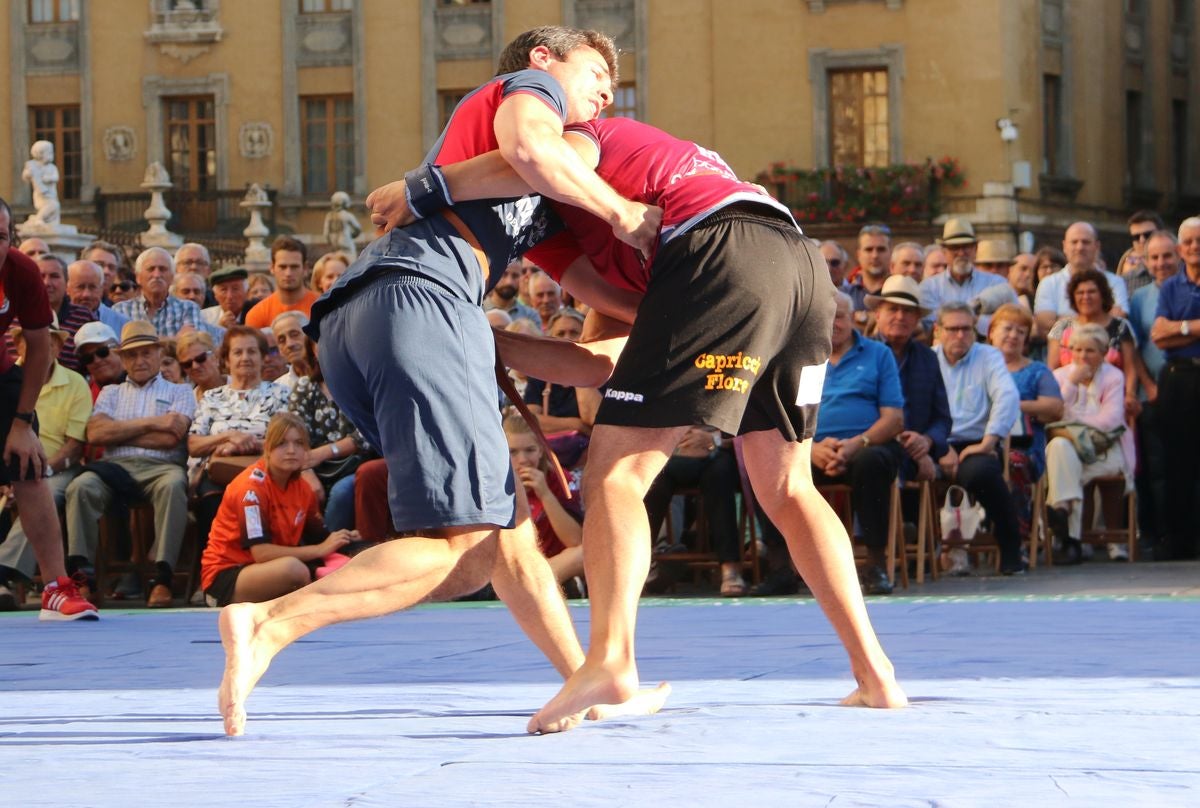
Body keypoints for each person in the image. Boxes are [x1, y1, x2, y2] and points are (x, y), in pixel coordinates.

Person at [215, 25, 666, 738]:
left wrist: (673, 309)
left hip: (365, 319)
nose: (607, 93)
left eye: (614, 88)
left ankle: (591, 680)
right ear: (547, 61)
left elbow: (588, 284)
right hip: (418, 300)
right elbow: (529, 146)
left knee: (504, 534)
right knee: (461, 545)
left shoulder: (533, 196)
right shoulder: (528, 91)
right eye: (595, 75)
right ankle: (268, 620)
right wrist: (624, 211)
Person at [393, 108, 908, 729]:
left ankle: (609, 658)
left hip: (719, 251)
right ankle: (875, 674)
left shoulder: (569, 136)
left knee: (613, 475)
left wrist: (420, 188)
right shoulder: (571, 233)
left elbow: (531, 154)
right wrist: (493, 343)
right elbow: (601, 363)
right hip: (798, 272)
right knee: (786, 485)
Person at [0, 197, 96, 619]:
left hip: (2, 376)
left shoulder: (20, 271)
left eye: (0, 237)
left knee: (31, 467)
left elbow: (39, 348)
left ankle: (56, 589)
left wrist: (22, 423)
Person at [66, 320, 195, 607]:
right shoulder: (111, 393)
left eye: (146, 353)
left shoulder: (180, 391)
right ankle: (82, 578)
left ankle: (162, 577)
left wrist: (120, 433)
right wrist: (153, 422)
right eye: (132, 355)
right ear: (122, 358)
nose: (140, 360)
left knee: (174, 484)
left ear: (158, 354)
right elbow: (96, 434)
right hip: (115, 468)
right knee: (81, 486)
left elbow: (171, 438)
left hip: (162, 467)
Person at [201, 413, 359, 606]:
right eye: (282, 444)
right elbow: (261, 553)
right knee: (294, 570)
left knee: (360, 553)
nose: (291, 450)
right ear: (267, 448)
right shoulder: (251, 490)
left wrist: (347, 538)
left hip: (269, 567)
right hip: (229, 575)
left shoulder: (302, 488)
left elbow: (319, 536)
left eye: (299, 443)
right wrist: (319, 550)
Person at [810, 293, 904, 595]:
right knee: (779, 468)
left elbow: (893, 418)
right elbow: (798, 416)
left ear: (853, 318)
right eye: (826, 316)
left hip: (868, 446)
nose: (833, 323)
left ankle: (875, 564)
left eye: (839, 315)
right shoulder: (809, 358)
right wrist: (812, 450)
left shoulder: (878, 355)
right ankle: (783, 566)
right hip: (816, 450)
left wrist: (857, 444)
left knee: (871, 463)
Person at [0, 315, 92, 607]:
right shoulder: (9, 377)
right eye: (26, 338)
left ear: (56, 345)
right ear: (18, 345)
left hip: (58, 467)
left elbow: (75, 446)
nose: (43, 345)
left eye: (51, 340)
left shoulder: (75, 382)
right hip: (12, 466)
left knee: (40, 487)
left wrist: (39, 467)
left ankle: (4, 573)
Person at [934, 302, 1024, 575]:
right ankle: (921, 551)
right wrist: (939, 447)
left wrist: (988, 441)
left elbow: (1007, 396)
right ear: (938, 331)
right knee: (898, 467)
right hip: (936, 442)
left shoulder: (988, 356)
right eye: (952, 329)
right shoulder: (927, 358)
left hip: (976, 442)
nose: (960, 335)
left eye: (966, 329)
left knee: (981, 474)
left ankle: (1010, 546)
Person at [1045, 324, 1136, 564]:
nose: (1082, 356)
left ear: (1104, 352)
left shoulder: (1114, 376)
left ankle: (1066, 526)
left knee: (1063, 464)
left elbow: (1110, 421)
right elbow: (1054, 413)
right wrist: (1072, 383)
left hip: (1106, 450)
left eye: (1089, 351)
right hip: (1071, 452)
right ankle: (1069, 532)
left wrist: (1072, 419)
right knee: (1059, 448)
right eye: (1076, 350)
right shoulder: (1060, 376)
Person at [987, 304, 1063, 541]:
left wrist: (1010, 406)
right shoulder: (977, 366)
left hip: (1024, 448)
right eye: (1007, 328)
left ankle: (1015, 536)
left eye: (1020, 331)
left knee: (1013, 463)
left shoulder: (1037, 371)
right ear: (991, 332)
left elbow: (1055, 408)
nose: (1013, 335)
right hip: (980, 444)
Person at [1149, 216, 1200, 560]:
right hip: (1179, 378)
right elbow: (1157, 335)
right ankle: (1180, 539)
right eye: (1190, 242)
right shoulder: (1169, 287)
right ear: (1180, 249)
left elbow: (1169, 331)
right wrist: (1194, 327)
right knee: (1178, 461)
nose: (1195, 248)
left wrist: (1177, 328)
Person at [1127, 230, 1178, 557]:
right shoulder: (1139, 298)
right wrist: (1147, 384)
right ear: (1145, 261)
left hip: (1188, 391)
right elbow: (1133, 347)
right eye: (1154, 257)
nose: (1161, 263)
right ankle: (1160, 534)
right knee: (1156, 470)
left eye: (1167, 256)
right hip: (1153, 394)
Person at [1045, 269, 1139, 419]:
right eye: (1080, 293)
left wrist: (1130, 395)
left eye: (1091, 292)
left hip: (1112, 400)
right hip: (1069, 402)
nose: (1085, 297)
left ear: (1102, 294)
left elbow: (1131, 368)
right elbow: (1052, 367)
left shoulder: (1120, 326)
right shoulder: (1062, 327)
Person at [504, 414, 583, 586]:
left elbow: (576, 541)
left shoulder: (561, 479)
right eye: (513, 452)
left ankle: (525, 586)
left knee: (585, 552)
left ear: (541, 449)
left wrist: (545, 494)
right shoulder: (493, 481)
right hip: (507, 568)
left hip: (549, 567)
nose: (523, 460)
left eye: (530, 450)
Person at [918, 219, 1016, 335]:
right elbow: (931, 326)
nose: (961, 253)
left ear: (975, 249)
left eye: (966, 247)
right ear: (944, 252)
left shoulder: (997, 283)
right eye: (955, 248)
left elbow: (1014, 320)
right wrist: (979, 318)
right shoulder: (929, 287)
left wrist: (975, 320)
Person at [1034, 222, 1130, 336]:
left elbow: (1118, 318)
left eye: (1086, 242)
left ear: (1097, 246)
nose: (1080, 247)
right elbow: (1044, 322)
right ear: (1064, 246)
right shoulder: (1048, 283)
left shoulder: (1115, 282)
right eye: (1074, 242)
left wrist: (1062, 319)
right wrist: (1100, 317)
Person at [112, 247, 205, 336]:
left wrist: (138, 342)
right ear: (138, 277)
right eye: (151, 269)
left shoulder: (188, 308)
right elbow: (116, 348)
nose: (156, 275)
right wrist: (175, 341)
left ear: (172, 277)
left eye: (162, 269)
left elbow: (193, 346)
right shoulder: (120, 310)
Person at [244, 237, 319, 328]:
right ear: (272, 268)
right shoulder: (257, 314)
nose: (288, 273)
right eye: (282, 267)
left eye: (294, 267)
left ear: (305, 268)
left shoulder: (322, 307)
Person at [22, 140, 60, 226]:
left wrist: (48, 178)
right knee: (53, 205)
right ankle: (39, 218)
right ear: (40, 154)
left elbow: (56, 177)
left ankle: (39, 218)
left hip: (51, 194)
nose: (51, 154)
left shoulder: (52, 167)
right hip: (41, 194)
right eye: (49, 152)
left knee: (54, 207)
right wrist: (28, 174)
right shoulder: (32, 165)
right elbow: (25, 176)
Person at [323, 192, 362, 260]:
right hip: (347, 245)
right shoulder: (347, 215)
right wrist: (352, 235)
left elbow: (326, 234)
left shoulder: (329, 216)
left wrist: (330, 241)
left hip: (334, 246)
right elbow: (358, 229)